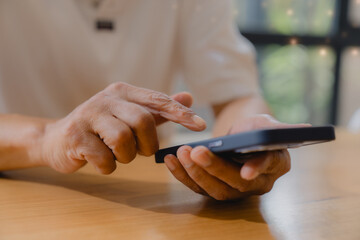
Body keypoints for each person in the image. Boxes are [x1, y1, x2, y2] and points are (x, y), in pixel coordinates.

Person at [0, 0, 304, 200]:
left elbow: (237, 94)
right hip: (19, 192)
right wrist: (48, 138)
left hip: (151, 199)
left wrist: (246, 141)